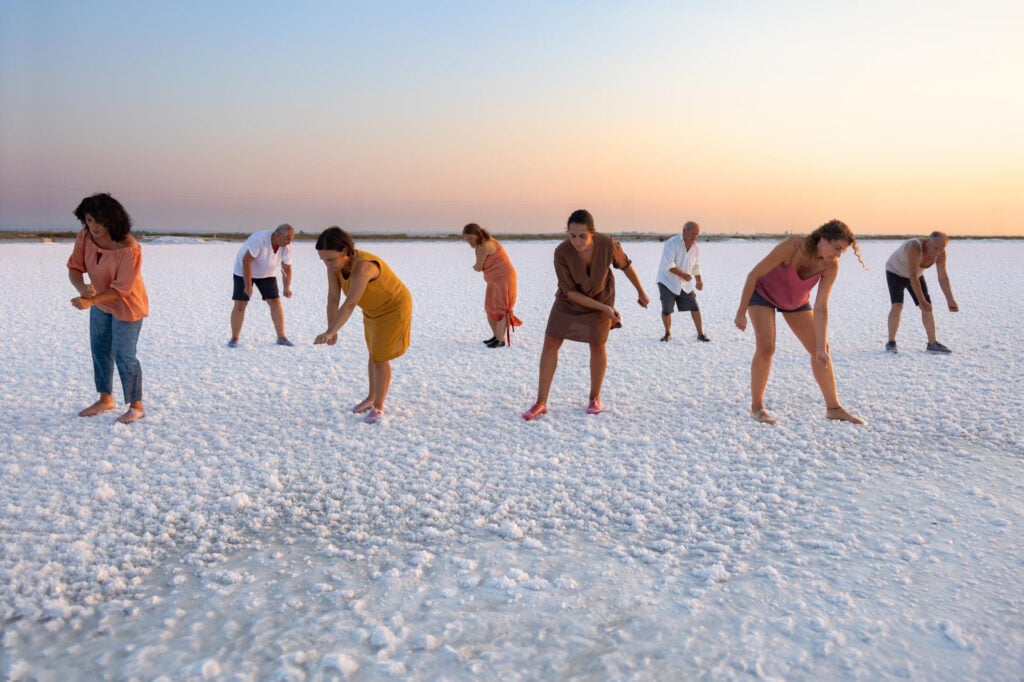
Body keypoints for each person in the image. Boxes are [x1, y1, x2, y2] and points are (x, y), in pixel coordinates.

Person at [734, 219, 866, 426]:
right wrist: (741, 312)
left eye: (843, 251)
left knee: (820, 350)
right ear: (823, 239)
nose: (838, 255)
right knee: (767, 348)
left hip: (795, 302)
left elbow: (821, 307)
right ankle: (757, 408)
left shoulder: (831, 266)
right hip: (762, 294)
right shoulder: (794, 245)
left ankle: (833, 408)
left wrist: (821, 346)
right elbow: (754, 274)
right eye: (837, 248)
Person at [522, 209, 650, 420]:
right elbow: (570, 292)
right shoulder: (561, 252)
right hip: (569, 301)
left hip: (601, 296)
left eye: (582, 236)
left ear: (593, 233)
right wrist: (605, 310)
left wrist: (641, 292)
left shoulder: (608, 245)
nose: (577, 241)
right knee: (551, 342)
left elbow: (626, 266)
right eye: (572, 236)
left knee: (597, 344)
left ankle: (594, 398)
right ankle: (540, 402)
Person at [313, 227, 412, 424]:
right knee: (374, 354)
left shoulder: (364, 267)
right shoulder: (334, 267)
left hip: (394, 309)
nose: (328, 264)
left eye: (331, 259)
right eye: (323, 259)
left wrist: (332, 330)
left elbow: (350, 303)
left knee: (380, 359)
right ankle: (370, 398)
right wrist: (330, 328)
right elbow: (333, 298)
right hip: (373, 310)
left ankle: (379, 407)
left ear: (346, 251)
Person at [66, 193, 149, 424]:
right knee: (100, 350)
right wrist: (82, 288)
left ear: (113, 220)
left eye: (99, 221)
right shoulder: (85, 236)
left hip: (127, 305)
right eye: (89, 220)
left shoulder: (129, 247)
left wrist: (90, 301)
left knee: (125, 355)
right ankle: (105, 399)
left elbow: (122, 288)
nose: (94, 226)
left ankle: (136, 406)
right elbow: (74, 267)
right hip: (101, 304)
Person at [884, 231, 959, 354]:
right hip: (895, 272)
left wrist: (950, 299)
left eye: (941, 249)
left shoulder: (940, 253)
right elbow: (912, 275)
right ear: (928, 241)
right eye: (935, 248)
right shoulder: (914, 247)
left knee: (927, 308)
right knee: (897, 305)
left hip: (916, 276)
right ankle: (891, 342)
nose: (938, 252)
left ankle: (932, 343)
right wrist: (921, 300)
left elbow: (942, 276)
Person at [229, 224, 295, 347]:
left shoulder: (287, 247)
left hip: (266, 273)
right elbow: (246, 261)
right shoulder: (259, 239)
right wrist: (248, 285)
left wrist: (287, 287)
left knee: (275, 302)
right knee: (240, 303)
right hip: (243, 270)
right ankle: (234, 339)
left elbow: (287, 268)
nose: (289, 242)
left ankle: (282, 337)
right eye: (288, 238)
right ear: (278, 234)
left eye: (291, 239)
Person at [462, 223, 523, 347]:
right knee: (489, 307)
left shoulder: (484, 245)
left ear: (478, 235)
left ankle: (500, 340)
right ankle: (496, 336)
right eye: (466, 239)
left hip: (504, 279)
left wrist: (475, 267)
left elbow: (479, 267)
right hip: (493, 281)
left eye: (470, 238)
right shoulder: (481, 244)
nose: (469, 242)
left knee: (502, 308)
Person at [656, 220, 709, 342]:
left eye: (698, 234)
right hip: (667, 281)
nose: (695, 237)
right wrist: (683, 275)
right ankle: (667, 333)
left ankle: (700, 334)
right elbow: (669, 264)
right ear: (684, 231)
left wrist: (698, 281)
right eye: (693, 233)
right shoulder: (671, 243)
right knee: (667, 309)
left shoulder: (696, 247)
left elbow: (696, 265)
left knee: (694, 307)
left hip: (685, 283)